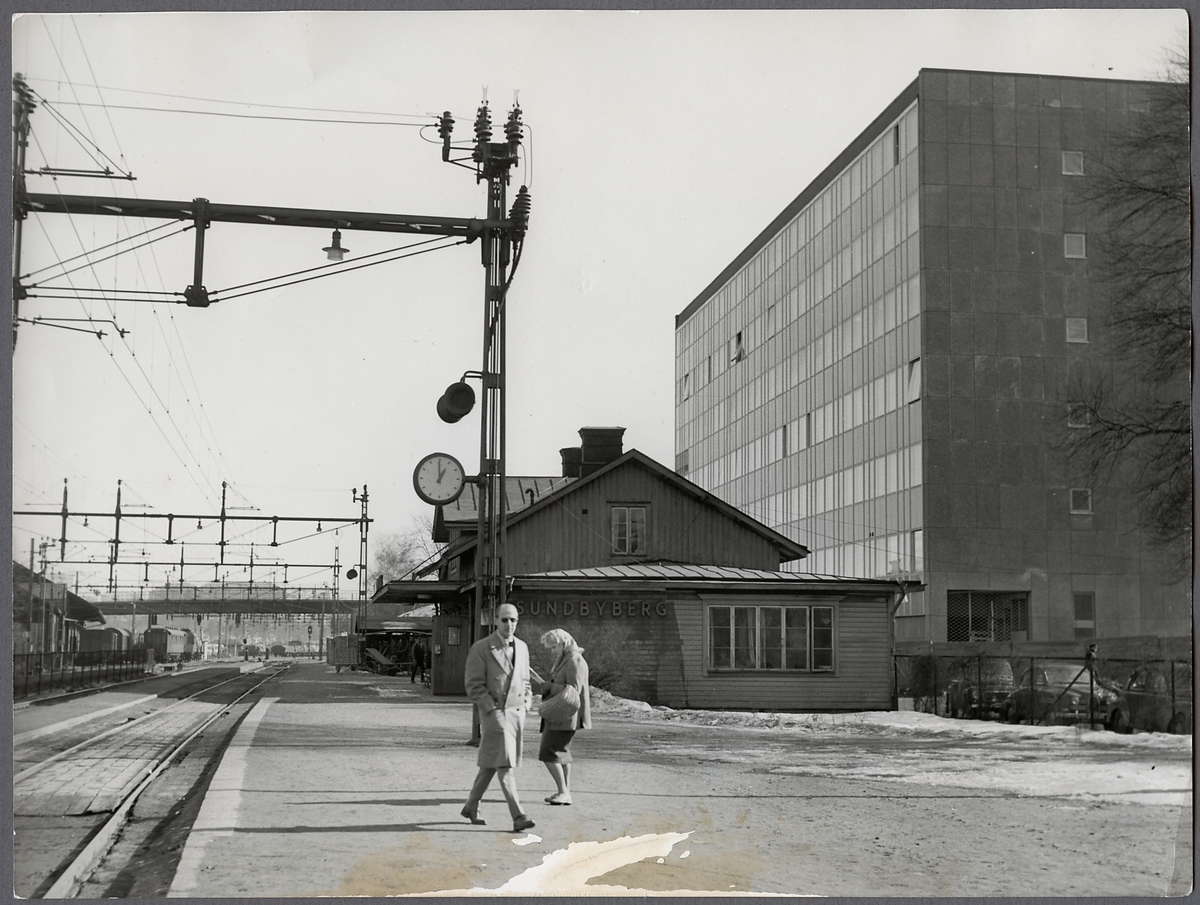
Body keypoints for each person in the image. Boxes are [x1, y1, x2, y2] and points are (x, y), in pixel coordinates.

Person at [461, 603, 537, 832]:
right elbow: (473, 685)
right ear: (495, 620)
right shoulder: (482, 648)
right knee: (505, 764)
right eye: (504, 619)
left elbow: (525, 680)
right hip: (496, 713)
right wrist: (491, 709)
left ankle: (471, 806)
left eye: (513, 620)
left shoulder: (522, 647)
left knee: (492, 763)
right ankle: (518, 815)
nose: (509, 624)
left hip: (516, 714)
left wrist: (526, 702)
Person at [536, 628, 592, 805]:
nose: (552, 651)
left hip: (565, 715)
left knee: (548, 753)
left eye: (554, 647)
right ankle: (564, 791)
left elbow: (573, 691)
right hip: (564, 715)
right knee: (562, 754)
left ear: (563, 643)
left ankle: (563, 792)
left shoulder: (574, 660)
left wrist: (548, 686)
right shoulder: (568, 659)